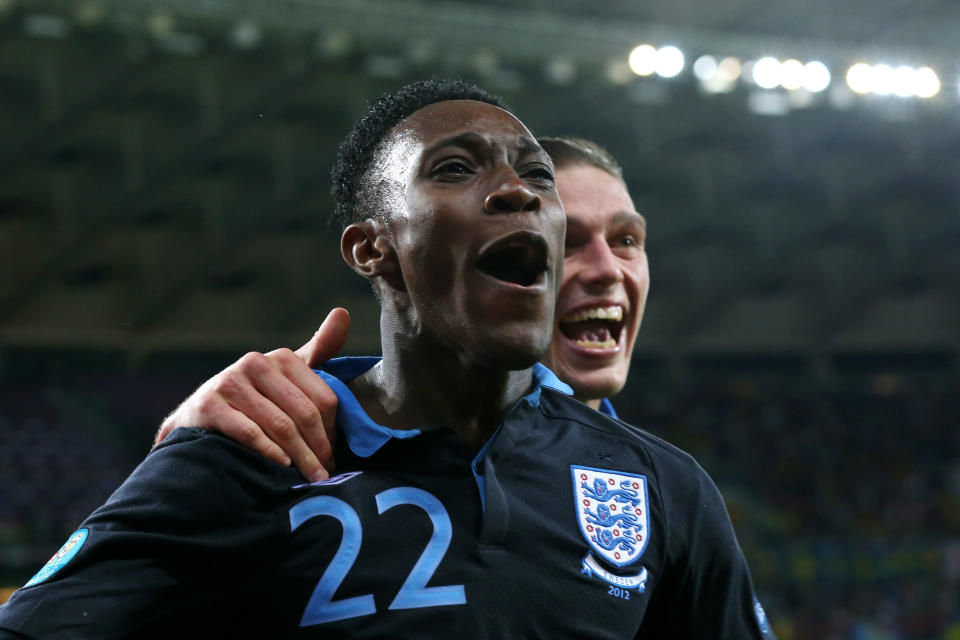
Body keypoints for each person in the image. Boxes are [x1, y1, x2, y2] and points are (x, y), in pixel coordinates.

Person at [0, 80, 773, 638]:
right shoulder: (255, 449)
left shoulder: (665, 489)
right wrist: (185, 450)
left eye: (537, 179)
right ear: (372, 248)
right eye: (456, 168)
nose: (519, 193)